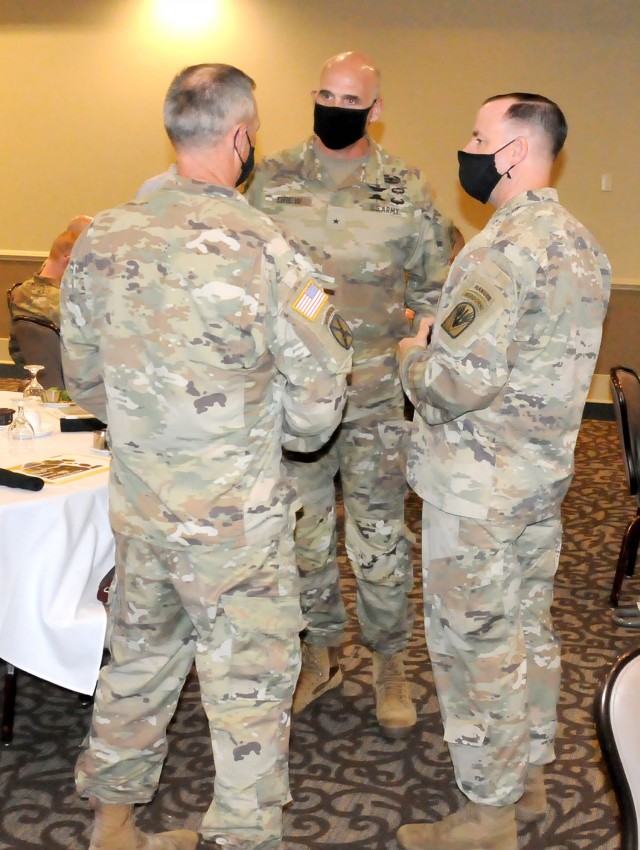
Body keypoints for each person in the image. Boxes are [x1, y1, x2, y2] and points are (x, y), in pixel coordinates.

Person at [60, 63, 352, 850]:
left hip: (143, 507)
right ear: (240, 137)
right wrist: (268, 435)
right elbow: (322, 400)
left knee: (137, 661)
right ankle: (242, 834)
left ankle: (113, 820)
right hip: (238, 525)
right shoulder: (271, 249)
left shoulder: (101, 238)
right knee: (250, 684)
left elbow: (83, 380)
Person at [395, 93, 611, 850]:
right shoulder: (583, 245)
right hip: (539, 481)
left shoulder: (497, 250)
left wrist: (412, 357)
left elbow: (461, 383)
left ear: (514, 153)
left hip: (476, 490)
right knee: (528, 632)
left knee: (475, 644)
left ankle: (488, 813)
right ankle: (532, 775)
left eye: (478, 136)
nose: (468, 147)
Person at [245, 50, 451, 739]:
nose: (335, 107)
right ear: (312, 95)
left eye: (350, 98)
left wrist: (416, 363)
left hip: (372, 396)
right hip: (295, 398)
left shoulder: (406, 188)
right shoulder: (270, 180)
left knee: (379, 539)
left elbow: (431, 291)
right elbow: (251, 283)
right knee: (301, 537)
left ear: (375, 109)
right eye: (326, 94)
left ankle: (389, 663)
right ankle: (320, 652)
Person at [8, 215, 92, 367]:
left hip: (34, 375)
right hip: (76, 382)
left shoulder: (18, 292)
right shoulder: (66, 304)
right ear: (68, 262)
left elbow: (16, 351)